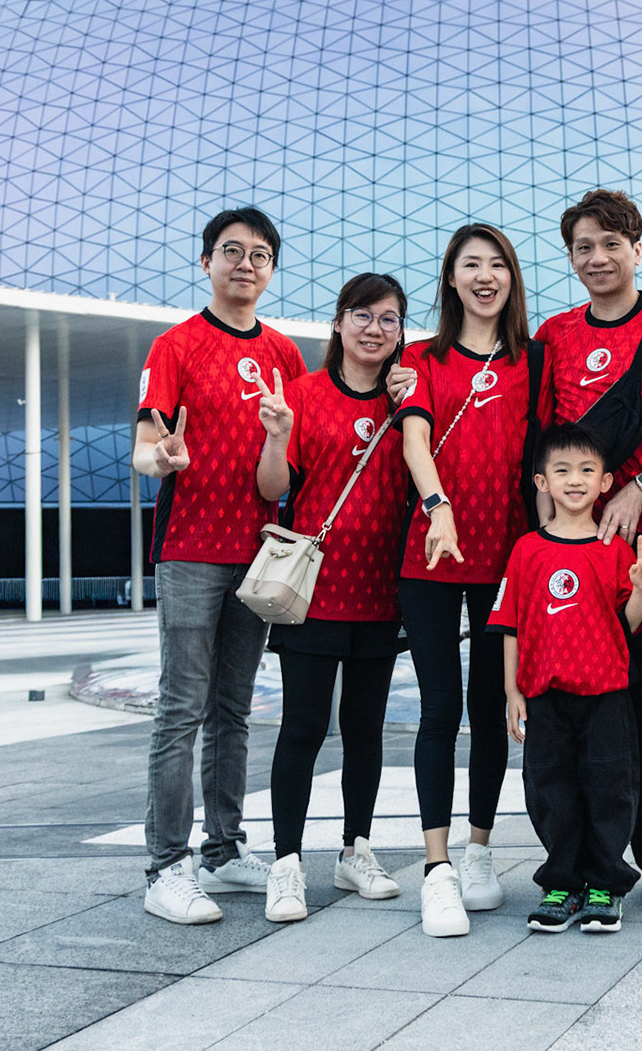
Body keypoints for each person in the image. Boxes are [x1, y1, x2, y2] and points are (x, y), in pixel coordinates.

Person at [533, 188, 642, 907]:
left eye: (611, 244)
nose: (598, 258)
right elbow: (538, 450)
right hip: (571, 558)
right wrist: (549, 540)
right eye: (584, 247)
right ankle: (579, 862)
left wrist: (639, 486)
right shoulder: (553, 335)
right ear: (571, 257)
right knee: (575, 709)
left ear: (637, 249)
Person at [133, 206, 308, 926]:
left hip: (259, 554)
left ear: (271, 271)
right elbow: (148, 444)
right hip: (190, 553)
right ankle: (164, 866)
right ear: (206, 262)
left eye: (259, 255)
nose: (245, 264)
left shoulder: (285, 356)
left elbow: (288, 469)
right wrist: (161, 459)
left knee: (233, 711)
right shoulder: (176, 346)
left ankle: (224, 848)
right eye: (231, 252)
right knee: (181, 708)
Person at [387, 224, 532, 937]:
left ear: (511, 278)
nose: (484, 275)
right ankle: (437, 867)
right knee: (441, 705)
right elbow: (416, 436)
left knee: (490, 706)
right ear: (450, 278)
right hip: (432, 555)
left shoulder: (531, 363)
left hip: (506, 557)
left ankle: (479, 849)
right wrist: (437, 506)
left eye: (496, 264)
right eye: (470, 264)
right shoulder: (421, 360)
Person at [255, 273, 412, 924]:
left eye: (389, 319)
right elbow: (272, 489)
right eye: (363, 315)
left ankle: (356, 851)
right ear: (340, 323)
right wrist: (276, 434)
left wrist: (411, 404)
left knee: (365, 729)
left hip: (382, 591)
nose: (375, 329)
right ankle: (286, 864)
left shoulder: (408, 401)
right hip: (314, 592)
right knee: (303, 728)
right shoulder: (303, 395)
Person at [491, 422, 642, 933]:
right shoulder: (527, 550)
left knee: (609, 788)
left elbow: (629, 625)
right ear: (541, 482)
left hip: (605, 694)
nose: (575, 480)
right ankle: (561, 883)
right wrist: (512, 690)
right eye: (562, 470)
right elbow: (509, 623)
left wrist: (640, 589)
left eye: (587, 470)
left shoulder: (615, 549)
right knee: (550, 789)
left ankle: (605, 884)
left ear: (607, 482)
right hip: (545, 696)